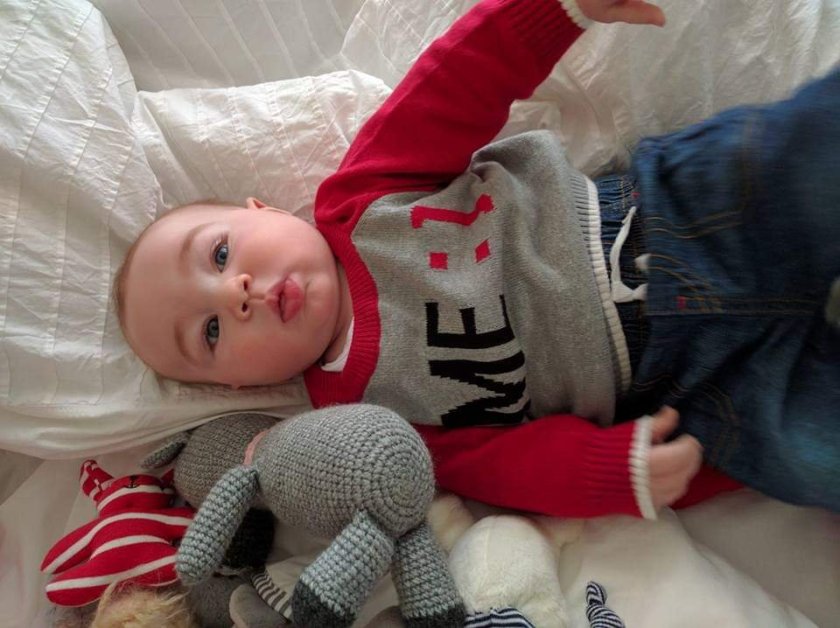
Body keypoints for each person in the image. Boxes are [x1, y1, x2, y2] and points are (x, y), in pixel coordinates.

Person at [115, 0, 839, 518]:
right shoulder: (357, 422)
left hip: (684, 216)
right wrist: (612, 474)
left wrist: (554, 12)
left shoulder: (360, 203)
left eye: (219, 254)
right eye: (211, 332)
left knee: (815, 154)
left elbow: (454, 89)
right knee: (816, 454)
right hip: (695, 386)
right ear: (238, 386)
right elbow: (493, 467)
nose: (235, 294)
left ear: (266, 212)